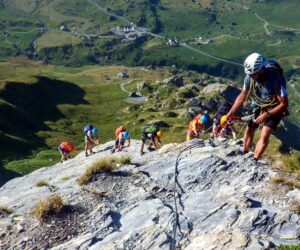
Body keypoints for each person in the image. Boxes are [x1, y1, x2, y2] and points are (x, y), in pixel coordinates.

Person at [227, 52, 289, 160]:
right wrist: (230, 112)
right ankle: (244, 152)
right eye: (250, 75)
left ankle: (255, 159)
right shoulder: (249, 77)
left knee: (265, 133)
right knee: (249, 128)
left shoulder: (275, 79)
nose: (252, 77)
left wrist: (266, 115)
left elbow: (284, 103)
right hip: (259, 103)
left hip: (274, 107)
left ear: (262, 70)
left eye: (254, 74)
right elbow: (243, 95)